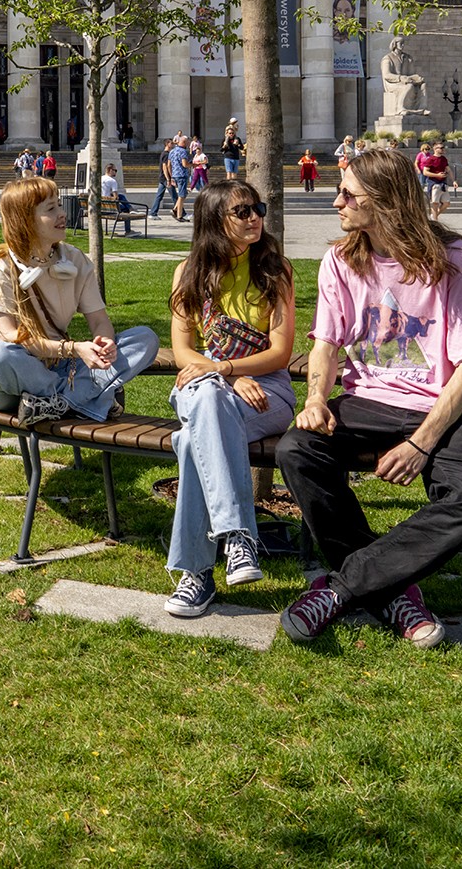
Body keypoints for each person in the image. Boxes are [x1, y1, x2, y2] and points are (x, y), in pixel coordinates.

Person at [274, 145, 462, 648]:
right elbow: (325, 344)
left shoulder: (453, 260)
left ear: (383, 202)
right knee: (297, 449)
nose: (336, 203)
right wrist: (316, 399)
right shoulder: (340, 260)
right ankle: (393, 594)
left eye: (348, 195)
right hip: (368, 399)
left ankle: (342, 589)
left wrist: (422, 444)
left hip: (443, 407)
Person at [161, 181, 299, 617]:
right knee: (205, 402)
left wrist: (227, 371)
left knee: (190, 442)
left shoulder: (276, 272)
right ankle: (239, 536)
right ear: (215, 219)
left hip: (267, 389)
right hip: (206, 385)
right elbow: (182, 351)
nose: (255, 216)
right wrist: (224, 377)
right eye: (242, 211)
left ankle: (196, 575)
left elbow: (279, 352)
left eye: (257, 208)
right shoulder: (188, 273)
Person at [0, 176, 160, 425]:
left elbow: (100, 321)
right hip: (11, 379)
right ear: (25, 219)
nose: (62, 214)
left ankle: (59, 403)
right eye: (51, 209)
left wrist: (104, 342)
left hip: (60, 367)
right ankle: (87, 396)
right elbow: (11, 337)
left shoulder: (74, 260)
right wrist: (74, 349)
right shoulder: (1, 265)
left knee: (145, 338)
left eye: (59, 205)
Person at [417, 139, 450, 220]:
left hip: (443, 184)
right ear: (435, 149)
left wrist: (454, 180)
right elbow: (425, 172)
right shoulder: (430, 159)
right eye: (441, 148)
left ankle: (434, 215)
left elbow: (448, 169)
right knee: (435, 203)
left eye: (443, 147)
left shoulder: (444, 159)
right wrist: (437, 175)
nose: (443, 149)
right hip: (434, 183)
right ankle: (435, 221)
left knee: (446, 203)